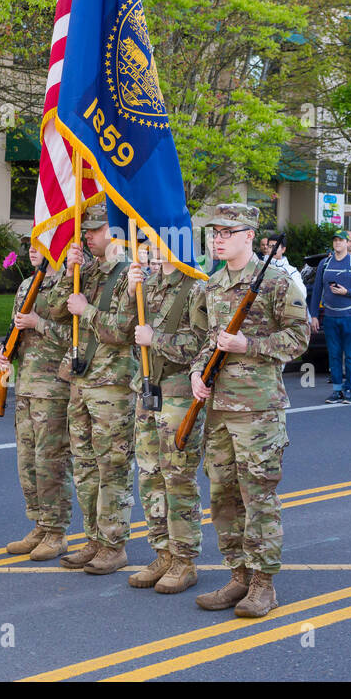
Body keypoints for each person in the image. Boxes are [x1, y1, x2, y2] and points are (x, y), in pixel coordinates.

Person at [190, 204, 310, 618]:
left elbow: (299, 339)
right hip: (219, 408)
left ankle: (263, 585)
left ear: (248, 235)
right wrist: (196, 373)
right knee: (223, 495)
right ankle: (238, 575)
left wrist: (251, 346)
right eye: (214, 231)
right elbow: (208, 338)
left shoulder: (276, 282)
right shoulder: (213, 282)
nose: (218, 238)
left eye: (227, 231)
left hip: (258, 409)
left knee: (257, 496)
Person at [43, 216, 138, 575]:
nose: (87, 235)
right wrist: (69, 273)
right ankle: (94, 539)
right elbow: (51, 309)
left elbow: (127, 330)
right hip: (81, 382)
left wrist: (89, 311)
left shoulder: (129, 274)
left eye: (95, 229)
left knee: (112, 466)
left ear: (114, 233)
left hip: (112, 386)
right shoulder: (89, 271)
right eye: (87, 229)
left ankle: (114, 545)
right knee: (83, 467)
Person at [127, 244, 208, 594]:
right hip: (147, 390)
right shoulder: (150, 284)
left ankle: (184, 560)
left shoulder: (196, 287)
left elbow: (202, 343)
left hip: (177, 394)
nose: (153, 253)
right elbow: (128, 334)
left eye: (159, 245)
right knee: (148, 476)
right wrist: (131, 294)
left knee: (177, 477)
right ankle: (162, 551)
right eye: (150, 247)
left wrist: (154, 338)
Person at [0, 246, 73, 561]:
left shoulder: (70, 286)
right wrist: (5, 349)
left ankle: (56, 531)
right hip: (26, 385)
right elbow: (16, 330)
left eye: (42, 242)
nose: (32, 248)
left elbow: (77, 337)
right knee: (27, 461)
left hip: (53, 387)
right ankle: (40, 524)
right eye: (31, 241)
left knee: (50, 462)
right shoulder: (26, 285)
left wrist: (37, 323)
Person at [308, 227, 351, 404]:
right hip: (330, 317)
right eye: (335, 240)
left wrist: (347, 292)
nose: (338, 243)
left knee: (350, 354)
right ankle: (337, 390)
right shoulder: (325, 264)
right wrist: (314, 315)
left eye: (341, 240)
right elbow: (317, 291)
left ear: (347, 243)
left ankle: (350, 390)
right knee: (334, 355)